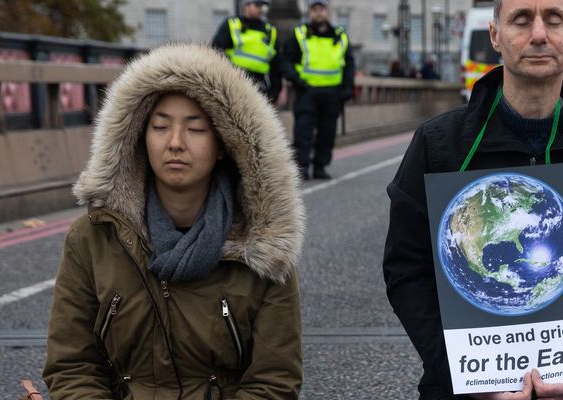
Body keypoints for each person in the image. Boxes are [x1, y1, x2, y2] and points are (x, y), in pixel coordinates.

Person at [382, 0, 563, 398]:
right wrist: (465, 377)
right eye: (521, 20)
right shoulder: (438, 145)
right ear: (496, 36)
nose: (538, 34)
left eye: (554, 20)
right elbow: (407, 271)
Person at [42, 44, 306, 398]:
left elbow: (274, 380)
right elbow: (72, 366)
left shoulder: (262, 245)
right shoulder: (93, 238)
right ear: (139, 135)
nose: (176, 143)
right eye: (160, 126)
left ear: (225, 143)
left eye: (196, 129)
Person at [284, 0, 355, 180]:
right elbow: (287, 60)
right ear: (309, 13)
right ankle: (301, 167)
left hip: (332, 93)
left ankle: (320, 167)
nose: (318, 13)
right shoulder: (299, 34)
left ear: (327, 12)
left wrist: (347, 88)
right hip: (307, 91)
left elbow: (349, 65)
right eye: (314, 10)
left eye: (321, 9)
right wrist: (296, 79)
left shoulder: (340, 36)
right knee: (303, 131)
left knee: (327, 133)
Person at [211, 0, 284, 103]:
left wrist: (275, 91)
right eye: (257, 5)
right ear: (246, 5)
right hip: (233, 82)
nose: (261, 9)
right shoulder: (232, 24)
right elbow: (216, 51)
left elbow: (276, 64)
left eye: (262, 6)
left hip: (260, 85)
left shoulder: (270, 31)